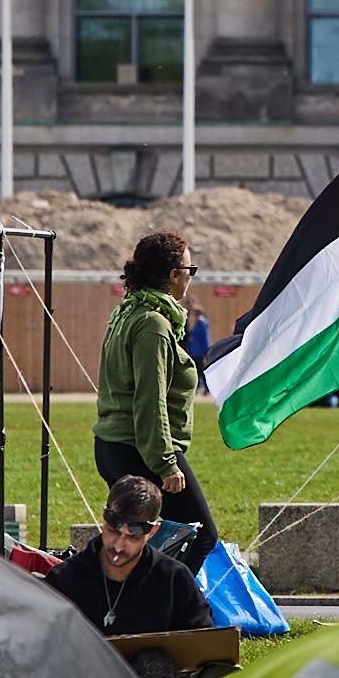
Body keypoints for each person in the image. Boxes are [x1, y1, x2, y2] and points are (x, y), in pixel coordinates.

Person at [97, 231, 213, 550]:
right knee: (199, 534)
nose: (191, 278)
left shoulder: (127, 311)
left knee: (141, 542)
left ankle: (132, 598)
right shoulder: (153, 325)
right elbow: (150, 402)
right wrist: (166, 464)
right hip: (138, 449)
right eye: (190, 270)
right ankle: (167, 601)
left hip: (112, 446)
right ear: (175, 275)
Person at [48, 476, 204, 639]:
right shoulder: (63, 580)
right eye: (113, 531)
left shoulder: (174, 580)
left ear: (153, 532)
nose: (119, 546)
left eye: (132, 538)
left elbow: (205, 645)